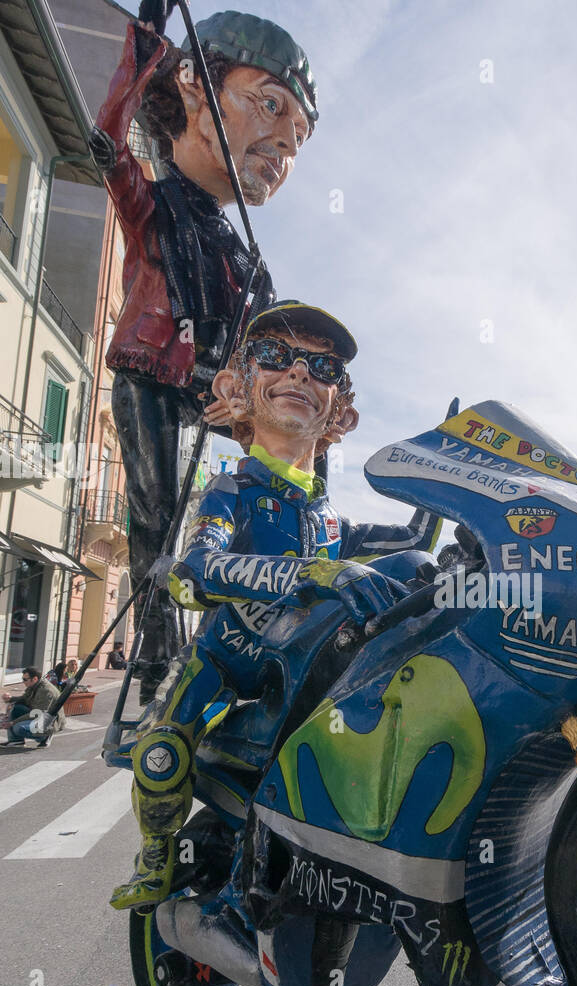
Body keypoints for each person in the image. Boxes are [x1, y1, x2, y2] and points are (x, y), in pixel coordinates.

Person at [109, 301, 440, 911]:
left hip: (302, 669)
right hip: (223, 658)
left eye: (322, 367)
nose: (298, 374)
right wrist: (312, 572)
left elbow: (415, 545)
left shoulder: (330, 518)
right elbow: (193, 573)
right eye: (274, 356)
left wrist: (446, 483)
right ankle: (157, 856)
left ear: (340, 409)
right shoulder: (231, 489)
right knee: (160, 755)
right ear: (238, 386)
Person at [89, 0, 318, 703]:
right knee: (160, 512)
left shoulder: (240, 250)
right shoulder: (151, 199)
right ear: (193, 85)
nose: (283, 147)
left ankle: (259, 626)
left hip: (211, 393)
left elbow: (262, 344)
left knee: (277, 478)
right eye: (270, 108)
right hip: (154, 373)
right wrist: (154, 16)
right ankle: (160, 657)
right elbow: (107, 141)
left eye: (297, 139)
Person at [3, 668, 66, 748]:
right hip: (37, 713)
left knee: (18, 727)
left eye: (25, 679)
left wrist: (13, 722)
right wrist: (10, 699)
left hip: (50, 721)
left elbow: (38, 713)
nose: (23, 681)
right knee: (16, 707)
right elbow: (24, 698)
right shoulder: (34, 685)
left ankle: (45, 736)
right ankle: (16, 740)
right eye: (23, 679)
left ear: (35, 679)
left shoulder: (46, 691)